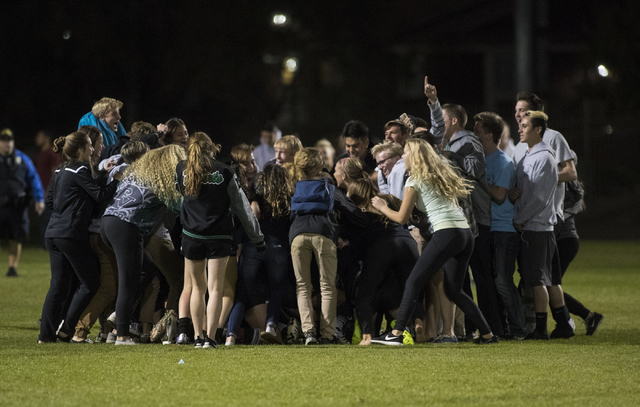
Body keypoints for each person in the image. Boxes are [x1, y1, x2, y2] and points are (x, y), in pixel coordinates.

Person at [370, 138, 497, 345]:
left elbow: (401, 218)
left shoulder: (414, 180)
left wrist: (382, 206)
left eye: (405, 152)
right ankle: (487, 335)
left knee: (413, 281)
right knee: (455, 290)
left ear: (415, 156)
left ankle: (396, 334)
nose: (403, 156)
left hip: (446, 233)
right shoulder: (440, 175)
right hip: (464, 234)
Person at [175, 132, 265, 349]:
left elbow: (180, 192)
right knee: (215, 289)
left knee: (198, 288)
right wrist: (257, 238)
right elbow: (242, 207)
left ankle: (197, 337)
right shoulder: (224, 171)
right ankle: (211, 338)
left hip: (192, 236)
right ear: (211, 148)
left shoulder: (181, 168)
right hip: (219, 237)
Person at [38, 131, 120, 343]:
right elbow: (100, 195)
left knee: (58, 285)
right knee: (90, 282)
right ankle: (66, 328)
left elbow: (50, 203)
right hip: (71, 234)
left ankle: (45, 336)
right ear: (82, 149)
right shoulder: (81, 169)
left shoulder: (59, 170)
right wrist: (116, 180)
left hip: (53, 233)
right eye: (90, 146)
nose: (93, 149)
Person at [101, 145, 186, 346]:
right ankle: (121, 335)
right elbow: (179, 206)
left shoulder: (137, 173)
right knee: (129, 280)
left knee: (145, 270)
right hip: (126, 226)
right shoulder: (160, 180)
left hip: (108, 223)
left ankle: (118, 317)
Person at [509, 111, 575, 340]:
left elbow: (539, 198)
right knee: (547, 279)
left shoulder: (545, 157)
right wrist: (515, 192)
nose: (520, 128)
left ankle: (540, 330)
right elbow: (526, 191)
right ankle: (562, 324)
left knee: (537, 281)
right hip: (535, 227)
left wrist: (518, 220)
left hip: (537, 228)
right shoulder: (529, 154)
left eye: (525, 125)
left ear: (538, 130)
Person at [346, 179, 419, 345]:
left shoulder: (360, 211)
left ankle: (366, 336)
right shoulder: (387, 199)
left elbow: (360, 242)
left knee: (365, 290)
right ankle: (418, 328)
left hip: (382, 246)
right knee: (412, 289)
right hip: (407, 242)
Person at [475, 112, 526, 339]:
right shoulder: (482, 159)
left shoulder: (503, 161)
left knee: (503, 282)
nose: (474, 135)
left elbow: (499, 194)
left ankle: (519, 329)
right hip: (488, 227)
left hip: (504, 229)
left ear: (488, 134)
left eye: (477, 131)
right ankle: (502, 328)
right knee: (492, 283)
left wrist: (479, 179)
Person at [1, 128, 45, 277]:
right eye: (4, 141)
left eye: (9, 141)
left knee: (16, 237)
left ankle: (12, 268)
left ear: (13, 142)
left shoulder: (23, 159)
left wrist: (39, 199)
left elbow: (34, 178)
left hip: (17, 205)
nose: (7, 144)